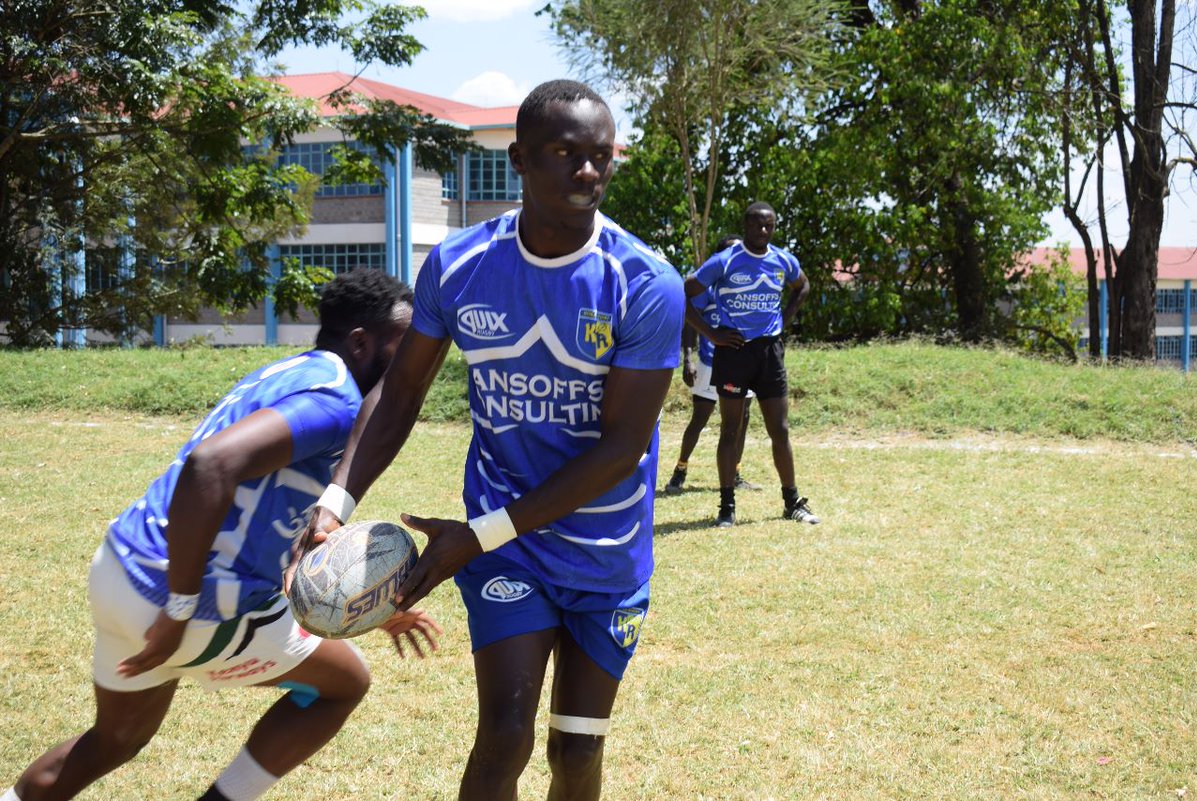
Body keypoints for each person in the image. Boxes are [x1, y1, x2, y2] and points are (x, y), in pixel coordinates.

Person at [293, 79, 685, 801]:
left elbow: (621, 447)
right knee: (504, 734)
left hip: (604, 548)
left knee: (574, 750)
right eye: (566, 153)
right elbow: (401, 389)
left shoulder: (645, 282)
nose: (589, 171)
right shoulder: (461, 264)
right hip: (507, 541)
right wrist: (337, 497)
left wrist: (476, 534)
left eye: (601, 156)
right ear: (520, 159)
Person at [1, 268, 442, 801]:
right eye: (406, 345)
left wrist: (369, 604)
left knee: (116, 739)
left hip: (121, 568)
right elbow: (212, 466)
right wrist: (180, 607)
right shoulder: (337, 402)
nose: (417, 362)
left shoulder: (290, 373)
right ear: (361, 342)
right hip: (181, 600)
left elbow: (274, 522)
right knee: (344, 683)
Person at [683, 201, 820, 528]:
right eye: (757, 225)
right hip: (734, 352)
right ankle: (726, 506)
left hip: (769, 352)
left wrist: (784, 320)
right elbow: (682, 294)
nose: (763, 231)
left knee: (780, 429)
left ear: (774, 227)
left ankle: (792, 502)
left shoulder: (782, 259)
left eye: (769, 225)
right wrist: (711, 334)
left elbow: (803, 286)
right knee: (731, 429)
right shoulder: (725, 260)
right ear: (745, 226)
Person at [664, 235, 759, 495]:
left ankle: (735, 473)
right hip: (710, 362)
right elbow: (689, 322)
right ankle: (680, 470)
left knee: (742, 420)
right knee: (700, 419)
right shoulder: (707, 286)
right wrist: (688, 359)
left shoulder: (749, 285)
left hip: (742, 364)